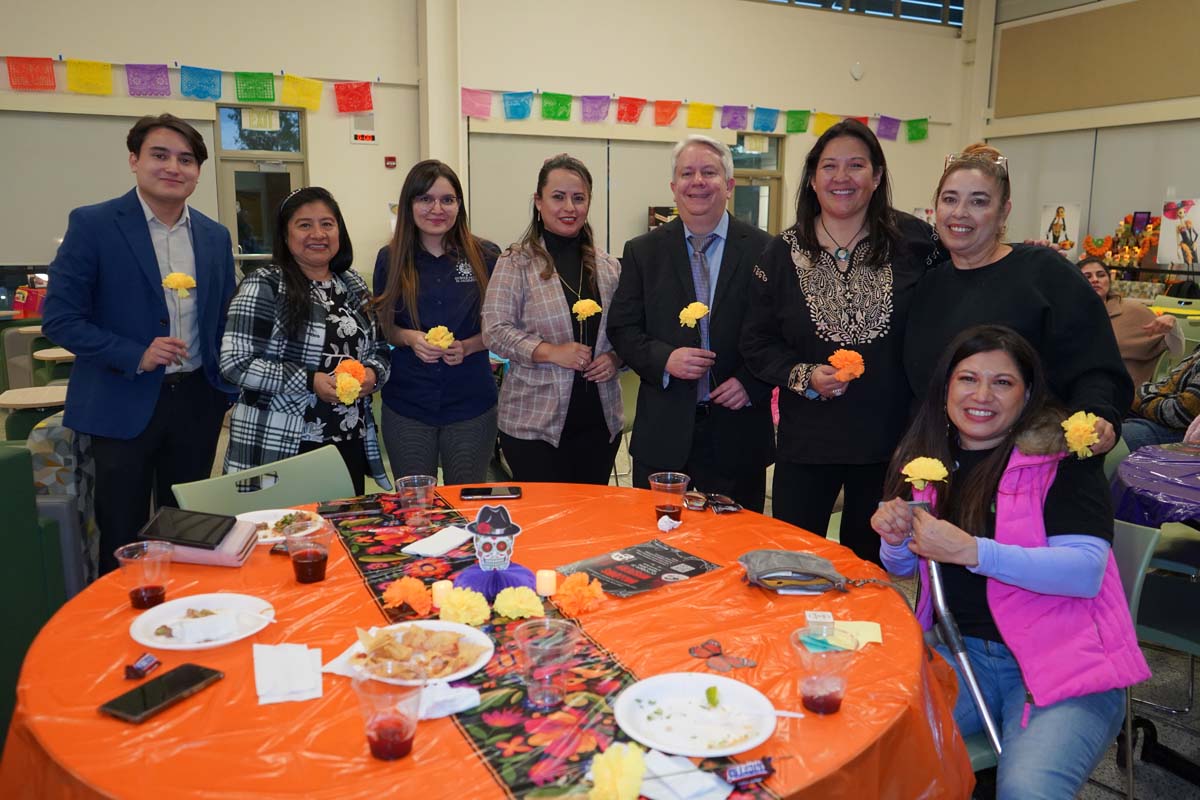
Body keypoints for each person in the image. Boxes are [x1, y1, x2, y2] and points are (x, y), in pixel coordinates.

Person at [872, 325, 1148, 800]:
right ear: (945, 391)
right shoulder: (929, 463)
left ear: (1027, 396)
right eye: (968, 379)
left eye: (1002, 382)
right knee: (867, 752)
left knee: (1026, 789)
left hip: (1065, 664)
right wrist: (896, 539)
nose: (982, 395)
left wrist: (972, 551)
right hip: (958, 655)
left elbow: (1084, 571)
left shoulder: (1064, 459)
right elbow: (904, 570)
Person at [43, 114, 236, 574]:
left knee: (188, 528)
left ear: (198, 171)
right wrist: (135, 354)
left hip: (195, 401)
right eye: (160, 155)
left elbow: (224, 316)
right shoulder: (94, 224)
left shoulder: (214, 235)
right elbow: (61, 318)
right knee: (122, 529)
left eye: (186, 159)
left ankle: (184, 622)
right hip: (120, 400)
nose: (173, 167)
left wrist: (224, 390)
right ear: (134, 160)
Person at [742, 119, 941, 560]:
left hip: (893, 441)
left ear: (877, 176)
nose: (841, 177)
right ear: (812, 179)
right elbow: (756, 342)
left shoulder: (917, 244)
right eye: (829, 166)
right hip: (809, 440)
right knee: (794, 561)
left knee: (872, 565)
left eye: (855, 165)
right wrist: (806, 376)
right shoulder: (781, 252)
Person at [904, 143, 1131, 455]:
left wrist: (1097, 414)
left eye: (979, 201)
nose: (960, 213)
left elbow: (1095, 364)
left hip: (1034, 461)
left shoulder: (1045, 272)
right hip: (943, 461)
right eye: (950, 199)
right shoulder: (928, 285)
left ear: (1003, 212)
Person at [608, 135, 774, 511]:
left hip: (738, 430)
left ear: (729, 185)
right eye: (687, 173)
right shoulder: (642, 252)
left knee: (735, 549)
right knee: (659, 550)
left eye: (709, 172)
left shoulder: (766, 250)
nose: (697, 181)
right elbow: (622, 329)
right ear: (673, 187)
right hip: (663, 437)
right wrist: (665, 359)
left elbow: (782, 331)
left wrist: (752, 382)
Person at [220, 187, 390, 495]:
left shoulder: (351, 284)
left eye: (327, 224)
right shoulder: (265, 284)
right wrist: (310, 380)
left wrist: (373, 375)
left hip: (347, 438)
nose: (318, 234)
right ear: (285, 235)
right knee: (285, 538)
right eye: (304, 225)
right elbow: (235, 364)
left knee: (341, 533)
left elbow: (379, 348)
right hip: (282, 442)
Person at [481, 154, 623, 483]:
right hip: (534, 427)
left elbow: (626, 332)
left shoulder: (609, 267)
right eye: (558, 197)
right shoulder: (516, 262)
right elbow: (494, 330)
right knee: (546, 527)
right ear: (539, 202)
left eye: (578, 198)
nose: (569, 207)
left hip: (600, 424)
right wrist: (550, 351)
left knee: (591, 526)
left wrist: (616, 358)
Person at [372, 161, 500, 484]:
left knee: (466, 503)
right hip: (408, 405)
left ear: (459, 205)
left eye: (448, 199)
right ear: (409, 204)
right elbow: (385, 328)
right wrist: (410, 338)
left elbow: (502, 327)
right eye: (425, 199)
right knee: (417, 509)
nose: (437, 208)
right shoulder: (390, 259)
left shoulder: (486, 256)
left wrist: (468, 346)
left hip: (471, 404)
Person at [1079, 255, 1181, 388]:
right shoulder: (1067, 314)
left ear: (1109, 280)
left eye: (1101, 275)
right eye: (1087, 276)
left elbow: (1176, 351)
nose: (1095, 280)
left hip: (1121, 393)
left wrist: (1173, 325)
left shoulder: (1134, 311)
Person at [1122, 343, 1200, 450]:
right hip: (1163, 414)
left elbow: (1182, 411)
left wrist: (1139, 399)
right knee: (1100, 419)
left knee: (1111, 437)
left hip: (1182, 431)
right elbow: (1166, 385)